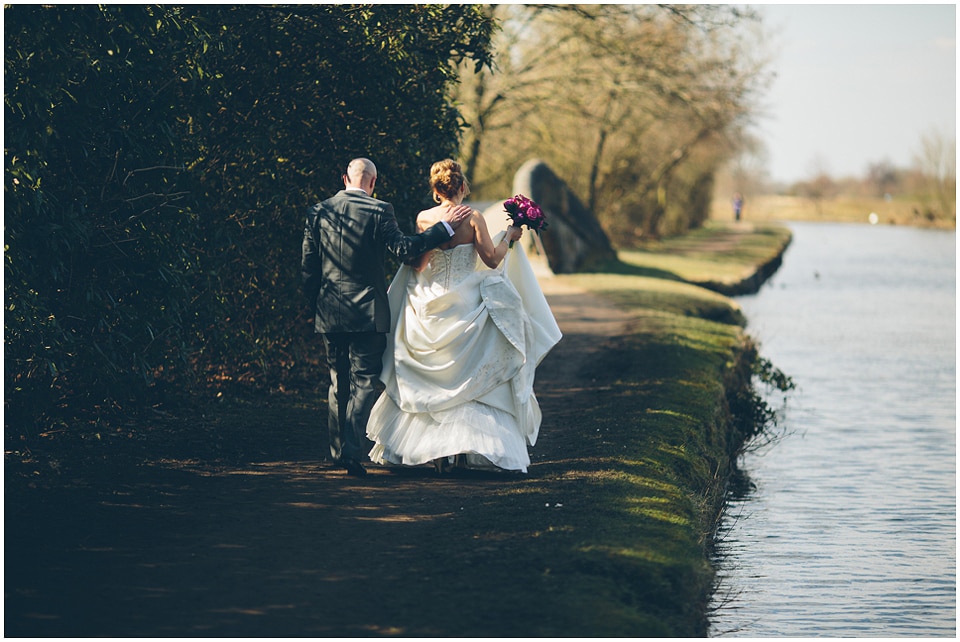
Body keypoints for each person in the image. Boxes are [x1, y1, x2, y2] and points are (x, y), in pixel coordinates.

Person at [366, 159, 562, 473]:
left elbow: (418, 265)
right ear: (461, 186)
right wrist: (508, 238)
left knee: (431, 380)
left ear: (436, 189)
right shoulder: (473, 218)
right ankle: (460, 454)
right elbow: (492, 260)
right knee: (471, 378)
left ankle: (438, 454)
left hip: (429, 302)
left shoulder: (424, 218)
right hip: (466, 302)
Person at [301, 157, 472, 477]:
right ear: (373, 182)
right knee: (364, 382)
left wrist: (316, 307)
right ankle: (350, 452)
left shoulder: (317, 211)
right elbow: (405, 251)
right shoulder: (379, 211)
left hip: (329, 311)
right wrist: (444, 229)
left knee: (338, 381)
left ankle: (339, 451)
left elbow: (308, 269)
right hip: (367, 310)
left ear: (344, 178)